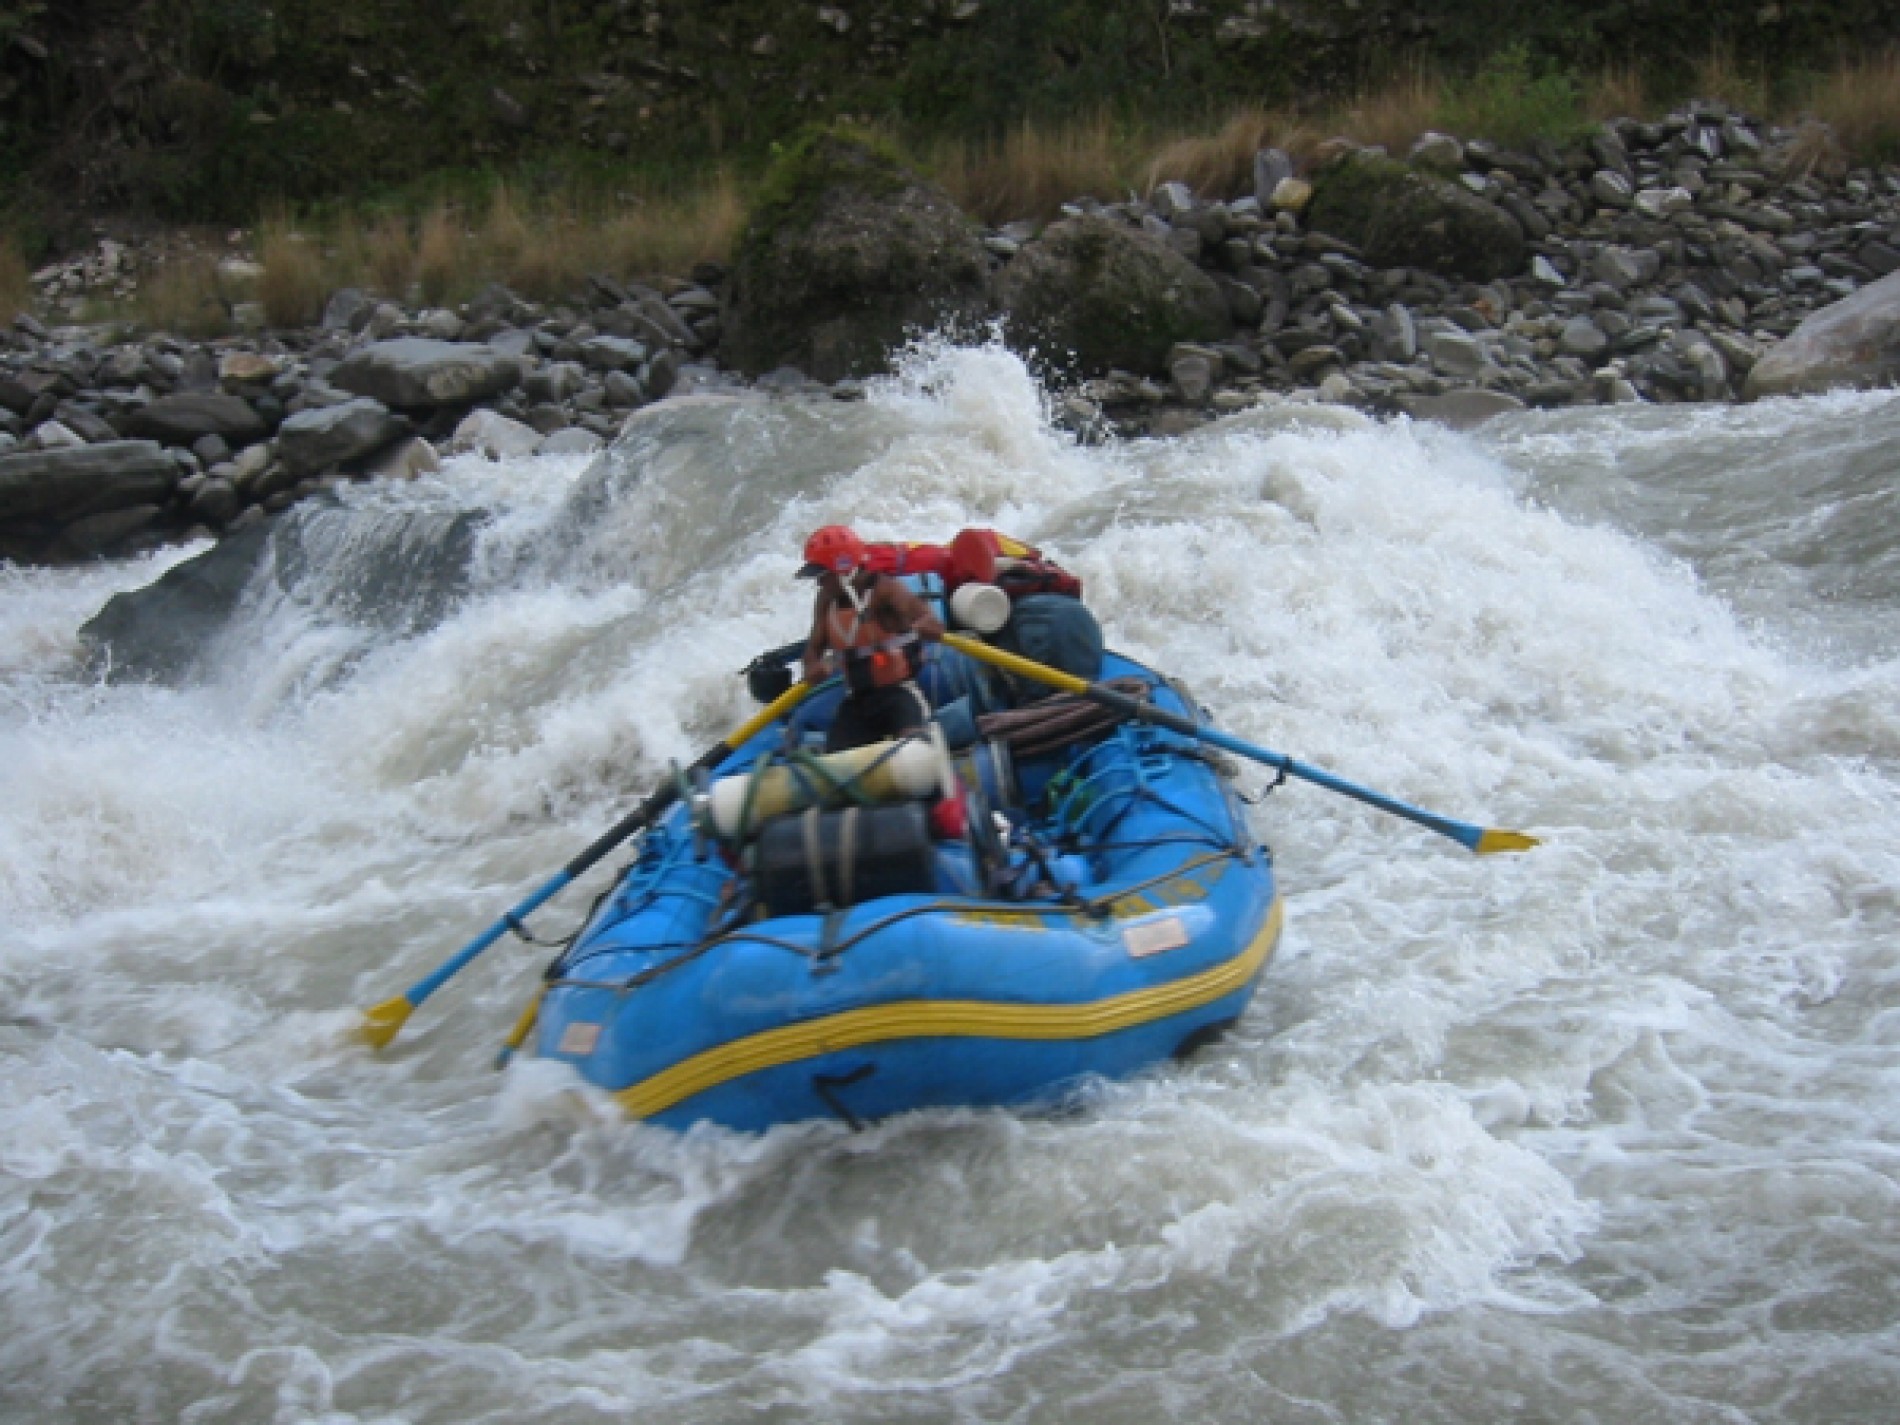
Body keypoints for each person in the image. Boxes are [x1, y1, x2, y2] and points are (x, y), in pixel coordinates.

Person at [798, 524, 945, 752]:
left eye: (822, 575)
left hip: (900, 693)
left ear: (844, 570)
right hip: (856, 702)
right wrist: (812, 666)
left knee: (914, 752)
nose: (818, 582)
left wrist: (919, 626)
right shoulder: (826, 600)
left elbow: (934, 624)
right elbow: (812, 650)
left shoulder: (886, 590)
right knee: (837, 764)